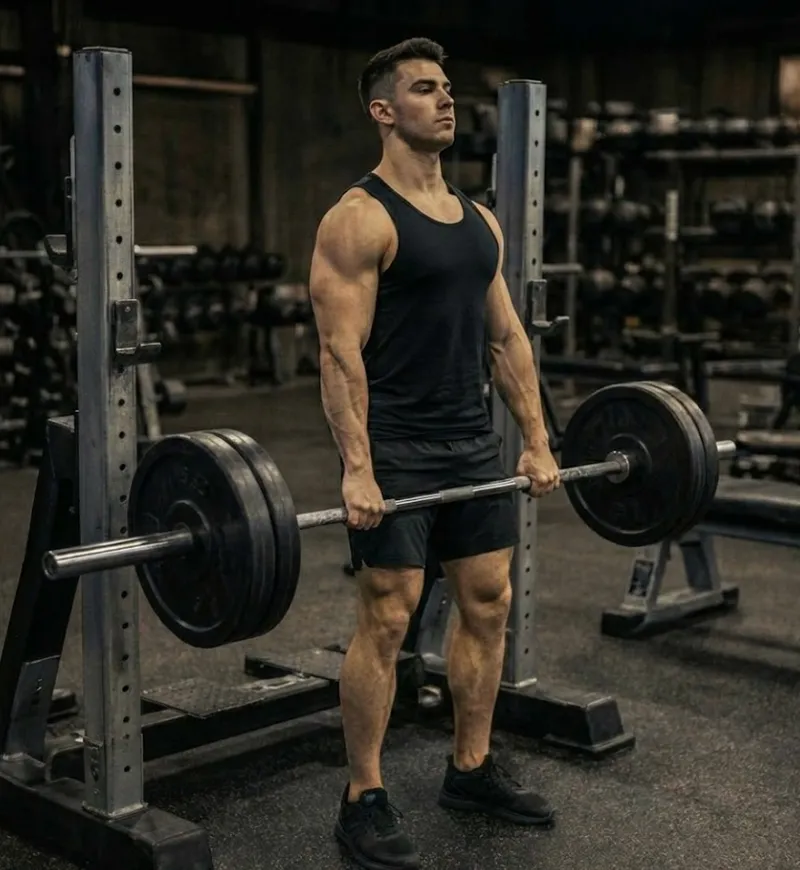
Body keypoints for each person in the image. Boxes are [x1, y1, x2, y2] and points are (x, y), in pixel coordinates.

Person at [309, 37, 560, 870]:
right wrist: (358, 467)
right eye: (425, 89)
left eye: (448, 89)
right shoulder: (359, 218)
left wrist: (534, 438)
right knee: (389, 616)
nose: (447, 101)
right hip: (399, 448)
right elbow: (340, 355)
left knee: (489, 602)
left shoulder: (479, 220)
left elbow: (508, 337)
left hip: (470, 444)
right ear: (384, 111)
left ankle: (471, 767)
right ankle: (363, 796)